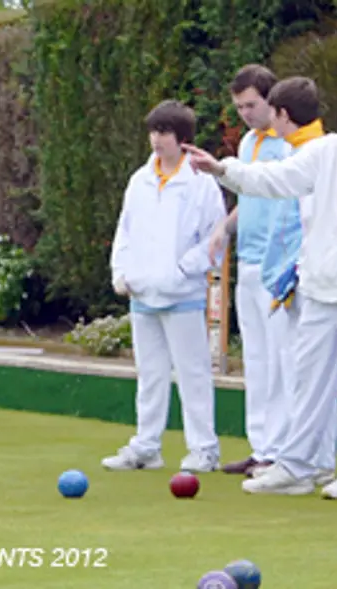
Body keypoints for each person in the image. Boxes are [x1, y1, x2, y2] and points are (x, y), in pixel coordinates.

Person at [186, 74, 337, 499]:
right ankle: (298, 465)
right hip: (318, 287)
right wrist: (222, 169)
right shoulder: (327, 150)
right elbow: (276, 179)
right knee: (306, 381)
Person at [100, 100, 230, 473]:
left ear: (183, 138)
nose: (157, 140)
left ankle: (204, 449)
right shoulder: (139, 180)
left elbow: (215, 238)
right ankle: (146, 446)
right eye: (154, 132)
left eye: (165, 133)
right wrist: (122, 272)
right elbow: (125, 230)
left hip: (183, 295)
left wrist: (182, 271)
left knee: (193, 374)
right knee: (150, 375)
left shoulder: (202, 184)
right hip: (142, 294)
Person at [215, 64, 305, 477]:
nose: (246, 114)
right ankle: (261, 446)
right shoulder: (248, 142)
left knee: (282, 358)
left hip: (277, 267)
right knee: (256, 359)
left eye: (251, 105)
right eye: (239, 107)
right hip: (247, 263)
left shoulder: (289, 146)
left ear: (272, 102)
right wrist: (223, 228)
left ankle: (284, 450)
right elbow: (249, 195)